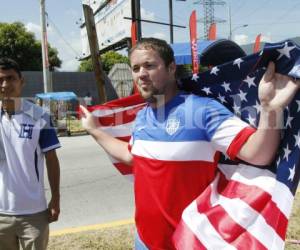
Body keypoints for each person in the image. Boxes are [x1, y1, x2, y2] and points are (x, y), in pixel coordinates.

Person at [80, 38, 299, 249]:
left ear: (171, 68)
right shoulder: (143, 116)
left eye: (149, 65)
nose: (142, 74)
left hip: (189, 242)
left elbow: (259, 154)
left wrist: (271, 109)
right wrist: (95, 130)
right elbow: (130, 156)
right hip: (144, 241)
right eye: (136, 68)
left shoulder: (202, 111)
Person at [0, 58, 61, 250]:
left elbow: (51, 159)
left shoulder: (40, 116)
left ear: (21, 81)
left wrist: (56, 198)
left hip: (33, 213)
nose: (5, 85)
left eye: (10, 78)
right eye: (0, 80)